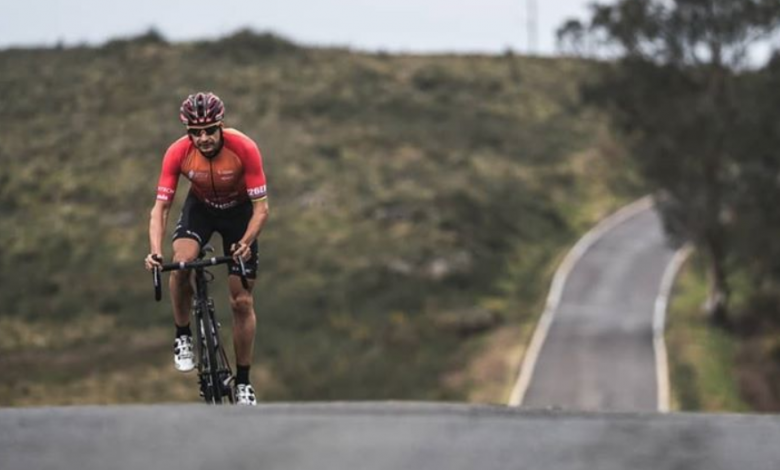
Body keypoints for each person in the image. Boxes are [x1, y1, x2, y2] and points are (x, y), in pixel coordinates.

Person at [144, 92, 269, 406]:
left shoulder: (244, 148)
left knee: (241, 301)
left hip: (239, 215)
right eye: (195, 132)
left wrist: (247, 242)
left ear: (221, 126)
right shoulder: (177, 153)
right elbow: (160, 208)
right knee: (181, 263)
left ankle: (242, 381)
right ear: (187, 131)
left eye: (209, 130)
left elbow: (262, 209)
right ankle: (183, 333)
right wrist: (154, 251)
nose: (203, 138)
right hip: (200, 209)